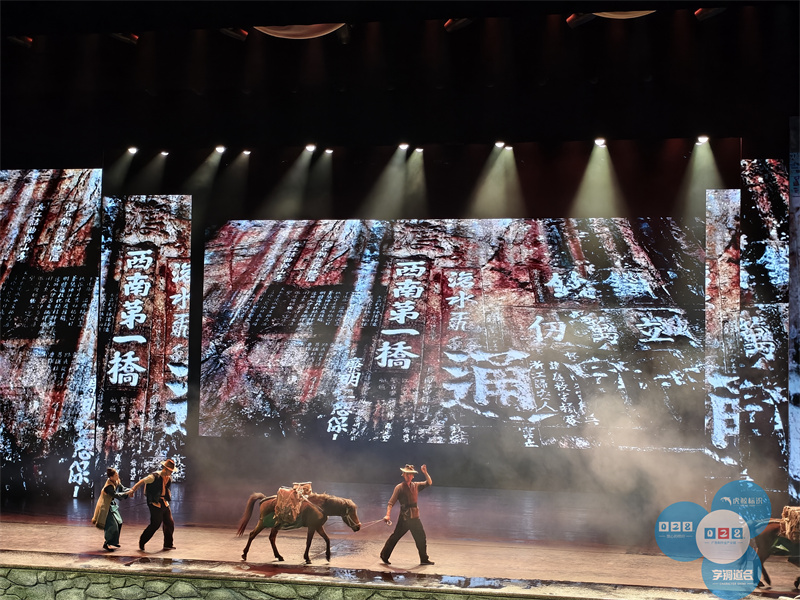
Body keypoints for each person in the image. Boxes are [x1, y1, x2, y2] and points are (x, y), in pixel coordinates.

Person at [380, 463, 434, 566]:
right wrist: (387, 515)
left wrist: (425, 473)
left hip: (415, 517)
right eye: (407, 474)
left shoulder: (416, 485)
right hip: (405, 518)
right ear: (403, 475)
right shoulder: (399, 487)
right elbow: (391, 503)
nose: (408, 476)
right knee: (396, 536)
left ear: (412, 476)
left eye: (410, 474)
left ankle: (424, 559)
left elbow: (429, 482)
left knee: (421, 537)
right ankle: (384, 555)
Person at [129, 458, 176, 552]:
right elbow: (142, 481)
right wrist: (132, 490)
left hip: (164, 502)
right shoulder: (154, 476)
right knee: (155, 524)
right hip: (155, 502)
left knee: (169, 523)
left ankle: (168, 544)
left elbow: (165, 488)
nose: (171, 473)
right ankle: (142, 541)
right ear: (165, 469)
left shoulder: (168, 478)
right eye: (170, 471)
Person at [91, 467, 130, 551]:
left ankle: (113, 541)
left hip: (112, 505)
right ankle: (107, 543)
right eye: (115, 475)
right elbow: (116, 495)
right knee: (112, 526)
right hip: (105, 507)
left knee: (119, 522)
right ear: (111, 477)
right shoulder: (108, 486)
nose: (117, 476)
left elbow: (122, 488)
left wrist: (131, 490)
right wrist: (127, 493)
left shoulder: (116, 481)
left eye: (117, 474)